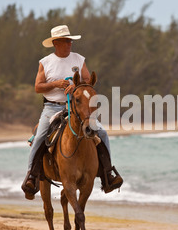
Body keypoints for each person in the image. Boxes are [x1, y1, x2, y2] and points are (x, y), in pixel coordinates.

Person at [21, 24, 122, 200]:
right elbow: (38, 87)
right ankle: (32, 176)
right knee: (40, 137)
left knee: (102, 133)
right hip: (52, 107)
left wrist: (77, 86)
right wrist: (56, 84)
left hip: (75, 108)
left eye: (70, 41)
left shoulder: (79, 59)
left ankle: (108, 175)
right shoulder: (45, 62)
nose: (69, 44)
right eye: (66, 41)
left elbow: (87, 80)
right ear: (56, 43)